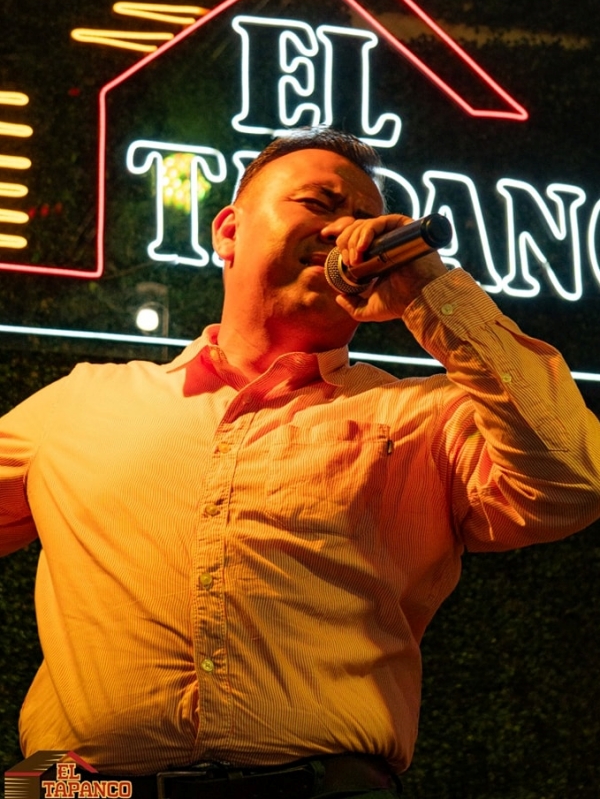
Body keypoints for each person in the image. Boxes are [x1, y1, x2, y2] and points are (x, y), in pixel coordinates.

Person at [1, 127, 600, 798]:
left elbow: (573, 481)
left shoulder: (424, 417)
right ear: (229, 231)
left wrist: (432, 292)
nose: (346, 230)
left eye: (365, 218)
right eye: (320, 204)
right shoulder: (82, 403)